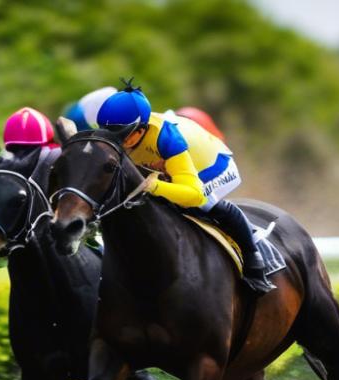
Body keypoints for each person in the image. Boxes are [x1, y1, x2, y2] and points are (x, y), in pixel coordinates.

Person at [96, 81, 274, 294]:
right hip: (171, 166)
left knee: (201, 205)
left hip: (213, 166)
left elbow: (194, 195)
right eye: (107, 133)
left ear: (141, 129)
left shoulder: (167, 139)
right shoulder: (125, 132)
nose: (114, 140)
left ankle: (254, 256)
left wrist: (154, 186)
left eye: (121, 134)